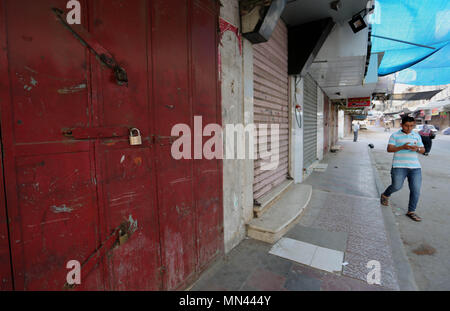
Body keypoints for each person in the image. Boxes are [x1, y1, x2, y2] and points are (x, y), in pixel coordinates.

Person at [380, 116, 425, 222]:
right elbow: (389, 149)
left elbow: (423, 150)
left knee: (416, 190)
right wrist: (402, 147)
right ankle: (385, 194)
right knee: (396, 186)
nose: (409, 128)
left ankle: (411, 211)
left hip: (415, 167)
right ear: (401, 125)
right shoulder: (395, 135)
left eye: (411, 126)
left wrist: (417, 149)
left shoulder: (416, 135)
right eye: (406, 126)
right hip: (399, 166)